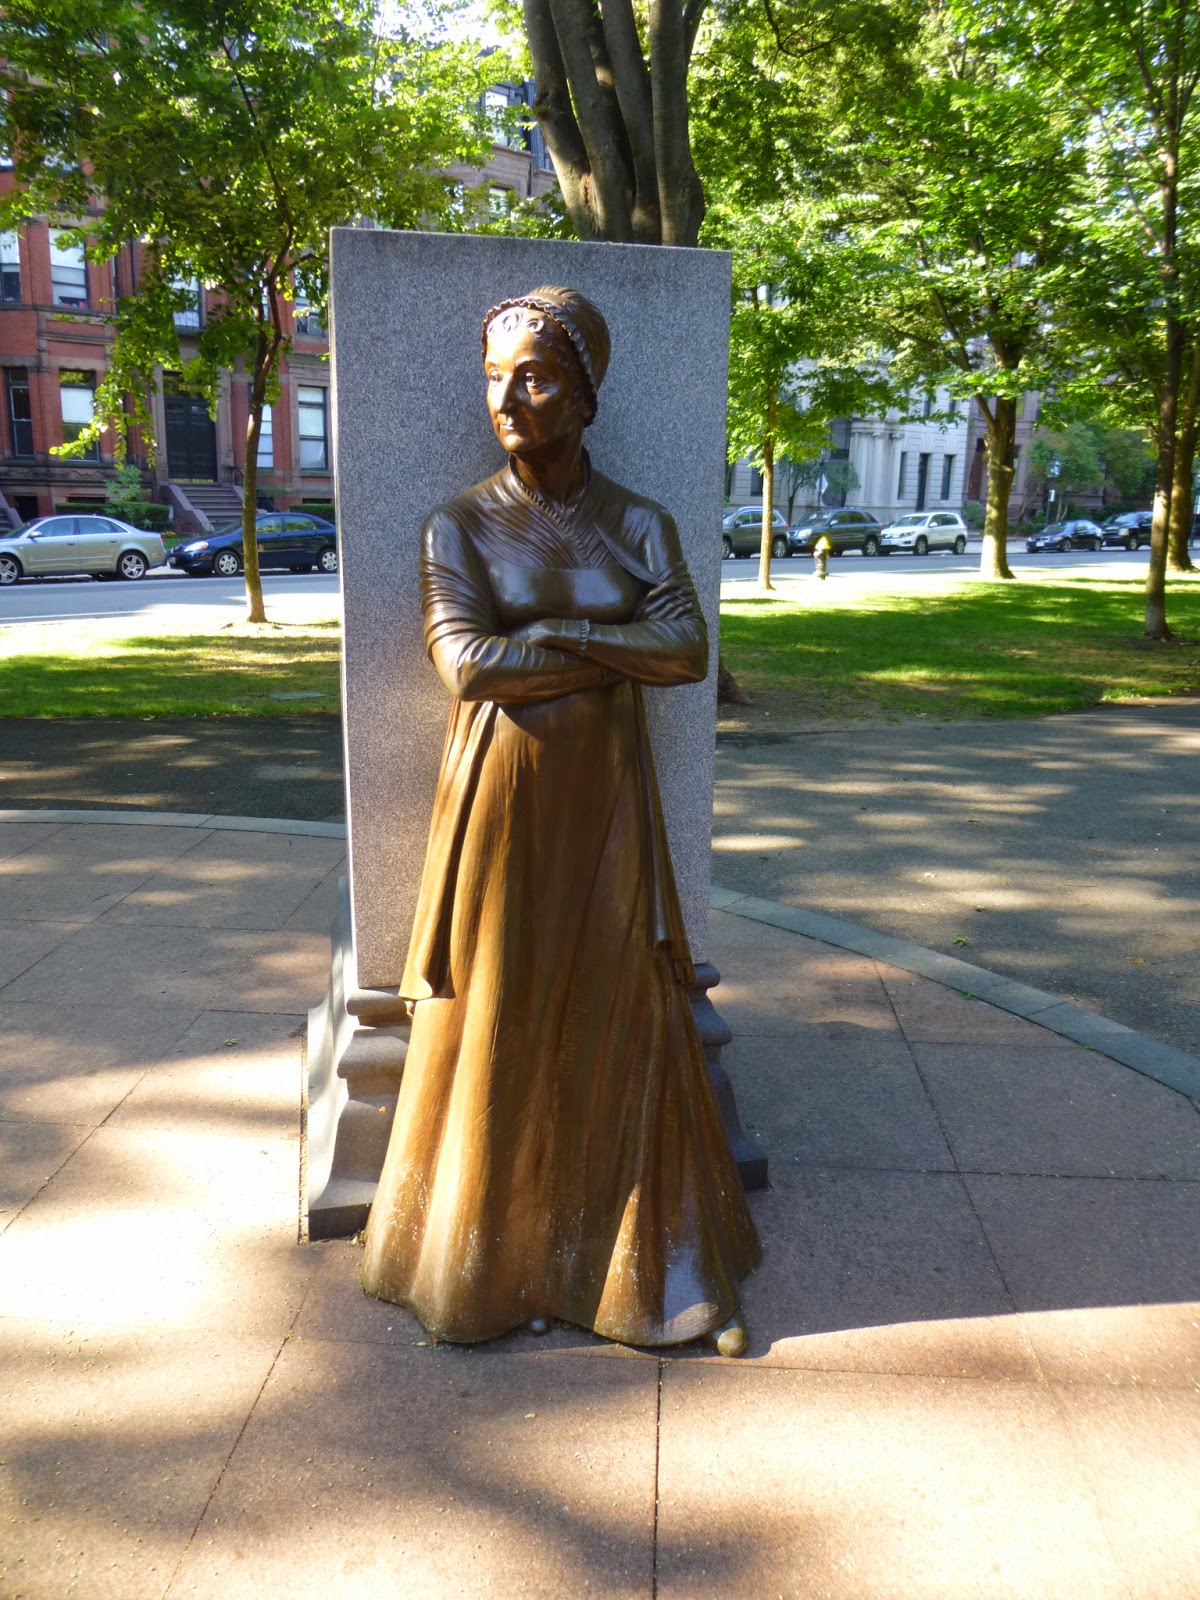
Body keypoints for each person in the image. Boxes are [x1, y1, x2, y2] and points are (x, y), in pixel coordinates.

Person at [361, 286, 760, 1354]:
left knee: (622, 1006)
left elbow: (687, 653)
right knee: (504, 1002)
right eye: (495, 377)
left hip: (611, 802)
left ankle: (642, 1269)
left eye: (534, 378)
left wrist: (552, 634)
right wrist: (610, 641)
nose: (507, 399)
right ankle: (493, 1266)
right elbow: (464, 664)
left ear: (583, 397)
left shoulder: (638, 522)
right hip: (504, 798)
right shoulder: (458, 524)